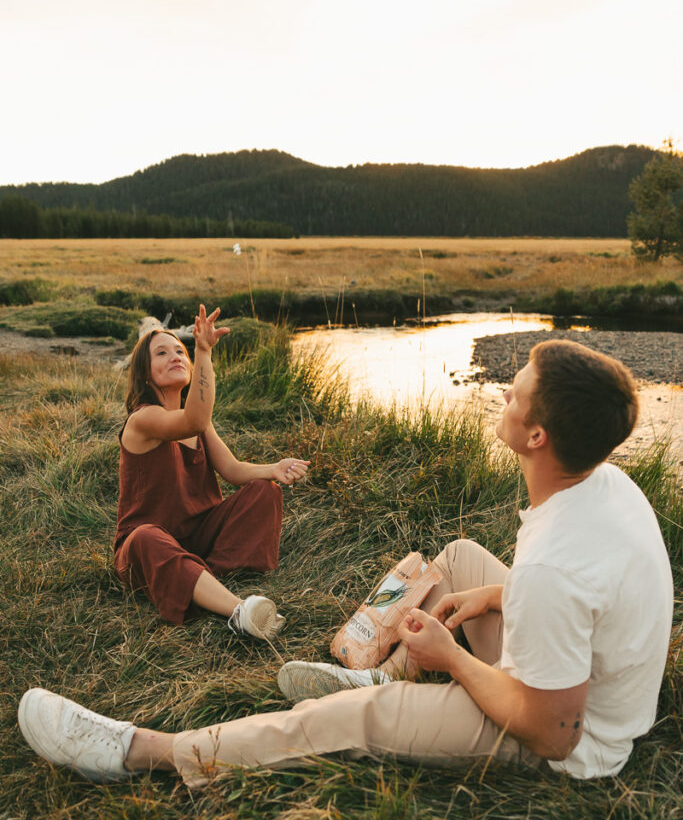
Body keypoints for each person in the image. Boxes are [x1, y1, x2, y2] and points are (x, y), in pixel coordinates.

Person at [18, 340, 673, 786]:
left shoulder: (551, 569)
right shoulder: (604, 485)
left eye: (515, 394)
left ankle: (148, 752)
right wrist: (492, 599)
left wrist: (451, 660)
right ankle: (380, 674)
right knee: (457, 561)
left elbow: (551, 731)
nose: (504, 390)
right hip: (571, 669)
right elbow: (582, 597)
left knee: (351, 725)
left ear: (536, 437)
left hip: (570, 739)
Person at [113, 304, 309, 638]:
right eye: (161, 353)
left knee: (265, 490)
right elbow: (195, 418)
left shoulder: (199, 424)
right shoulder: (143, 420)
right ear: (145, 373)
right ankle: (238, 611)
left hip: (199, 536)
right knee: (146, 536)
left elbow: (232, 470)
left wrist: (272, 469)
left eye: (180, 350)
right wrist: (203, 350)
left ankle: (202, 577)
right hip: (147, 547)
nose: (176, 356)